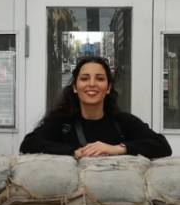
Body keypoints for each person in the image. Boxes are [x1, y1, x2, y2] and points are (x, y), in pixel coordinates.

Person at [20, 56, 171, 159]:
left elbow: (162, 146)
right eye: (85, 78)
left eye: (100, 78)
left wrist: (116, 149)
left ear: (108, 88)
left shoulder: (123, 122)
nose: (92, 84)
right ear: (75, 87)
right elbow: (29, 144)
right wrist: (74, 151)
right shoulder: (62, 122)